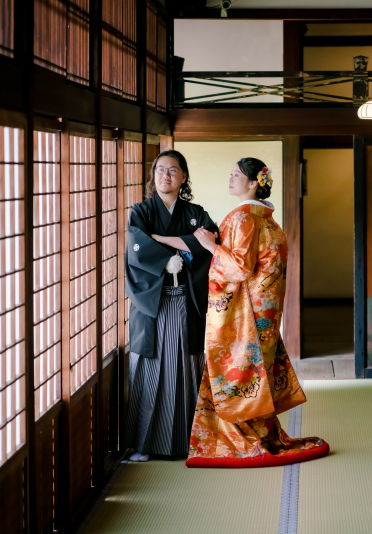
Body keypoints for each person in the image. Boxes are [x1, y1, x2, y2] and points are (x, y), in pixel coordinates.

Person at [185, 157, 329, 467]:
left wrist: (211, 246)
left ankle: (243, 438)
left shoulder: (243, 219)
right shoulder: (268, 219)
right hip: (265, 310)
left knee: (241, 368)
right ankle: (262, 434)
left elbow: (238, 268)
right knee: (257, 368)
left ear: (252, 183)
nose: (231, 178)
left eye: (237, 174)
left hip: (247, 310)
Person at [124, 150, 219, 461]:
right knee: (149, 371)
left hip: (184, 302)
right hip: (154, 304)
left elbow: (210, 238)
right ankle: (144, 446)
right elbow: (137, 246)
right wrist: (166, 260)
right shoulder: (141, 211)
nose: (165, 175)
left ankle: (188, 442)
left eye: (173, 170)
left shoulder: (195, 212)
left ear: (183, 177)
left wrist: (169, 243)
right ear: (153, 176)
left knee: (186, 368)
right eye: (160, 170)